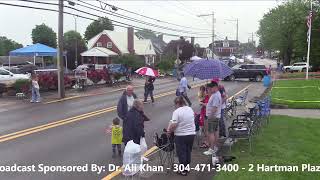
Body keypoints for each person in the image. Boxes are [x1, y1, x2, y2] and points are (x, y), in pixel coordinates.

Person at [167, 96, 195, 176]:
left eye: (175, 104)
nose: (175, 106)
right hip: (191, 134)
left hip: (181, 135)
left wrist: (169, 131)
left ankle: (183, 171)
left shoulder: (177, 111)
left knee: (181, 153)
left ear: (177, 103)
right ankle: (187, 167)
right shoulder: (190, 109)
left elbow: (174, 124)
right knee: (188, 151)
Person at [203, 82, 222, 156]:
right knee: (215, 132)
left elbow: (214, 108)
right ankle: (215, 146)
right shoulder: (215, 94)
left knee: (211, 133)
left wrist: (209, 117)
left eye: (211, 88)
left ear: (215, 87)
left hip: (213, 117)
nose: (210, 89)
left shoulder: (216, 96)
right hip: (215, 117)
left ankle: (211, 149)